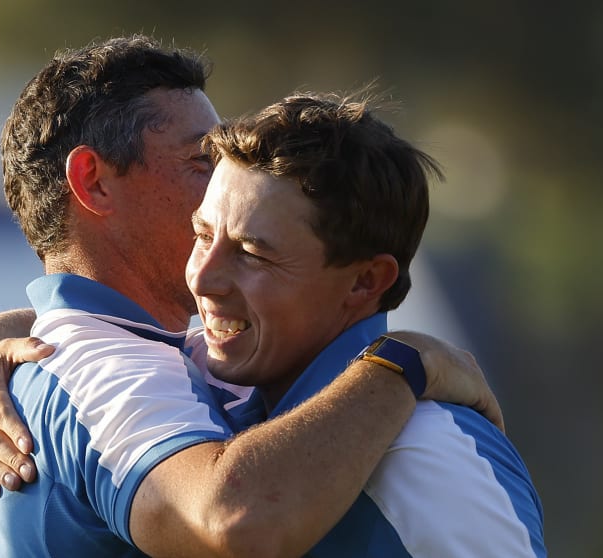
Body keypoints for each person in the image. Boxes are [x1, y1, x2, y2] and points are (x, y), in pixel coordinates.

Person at [0, 35, 504, 557]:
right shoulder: (105, 366)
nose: (226, 185)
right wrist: (402, 362)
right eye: (200, 161)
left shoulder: (80, 357)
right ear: (93, 181)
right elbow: (235, 520)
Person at [185, 93, 546, 556]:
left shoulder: (432, 459)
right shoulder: (199, 393)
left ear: (365, 281)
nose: (203, 278)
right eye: (203, 235)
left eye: (252, 253)